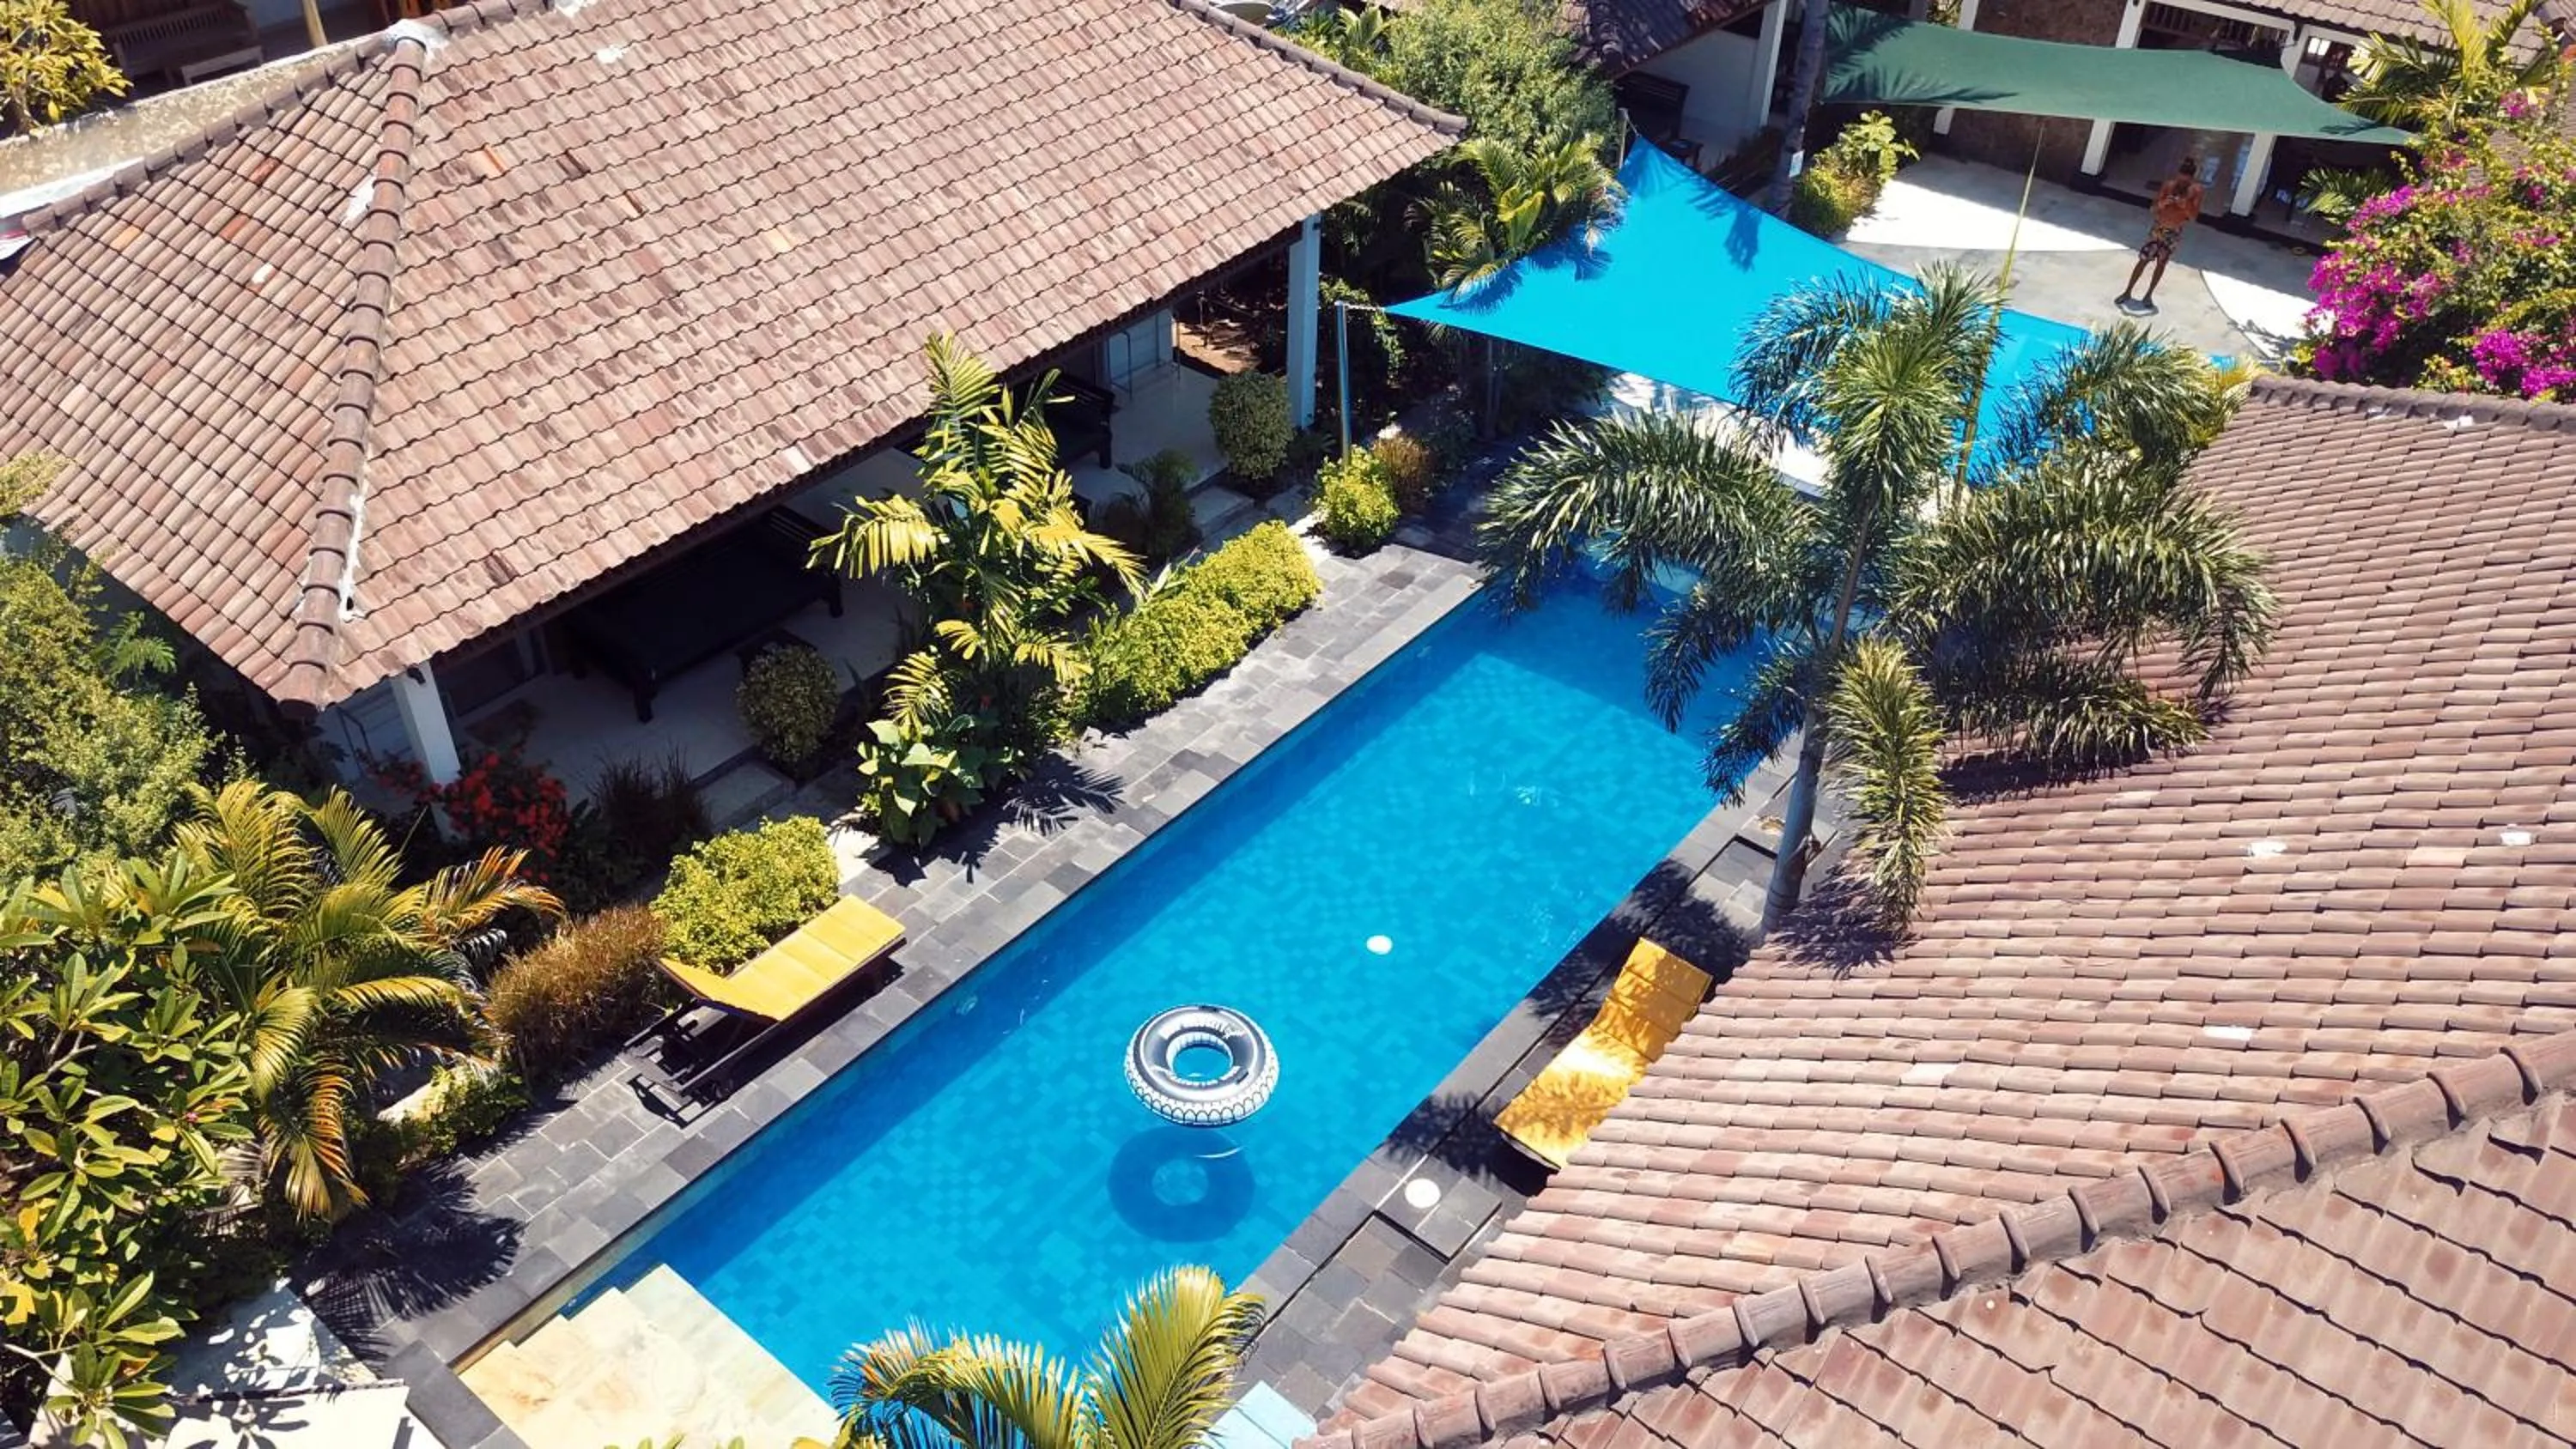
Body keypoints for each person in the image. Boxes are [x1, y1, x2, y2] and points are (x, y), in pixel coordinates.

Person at [2117, 157, 2206, 312]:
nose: (2182, 184)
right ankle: (2127, 291)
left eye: (2185, 181)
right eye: (2180, 180)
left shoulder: (2196, 191)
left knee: (2161, 263)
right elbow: (2153, 208)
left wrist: (2184, 205)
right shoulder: (2169, 186)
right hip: (2158, 228)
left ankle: (2149, 294)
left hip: (2174, 231)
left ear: (2191, 179)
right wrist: (2163, 203)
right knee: (2143, 260)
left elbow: (2193, 217)